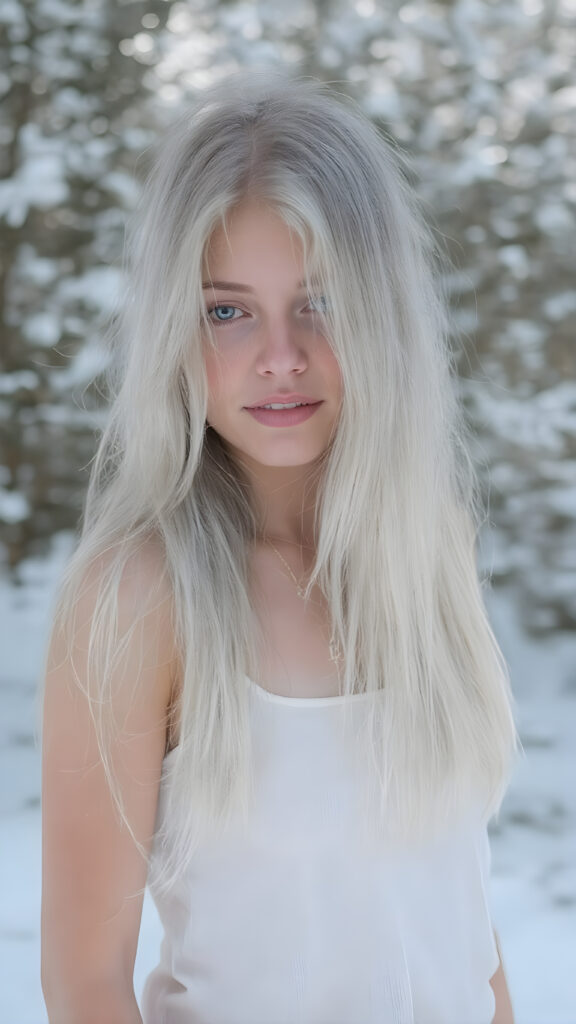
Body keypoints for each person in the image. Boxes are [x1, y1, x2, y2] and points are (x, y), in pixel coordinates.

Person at [40, 70, 519, 1023]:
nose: (280, 356)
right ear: (177, 328)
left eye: (323, 301)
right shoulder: (140, 595)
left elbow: (459, 922)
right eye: (227, 310)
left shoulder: (431, 554)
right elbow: (86, 984)